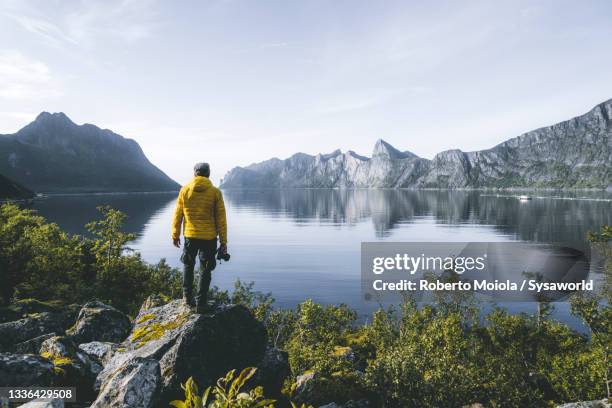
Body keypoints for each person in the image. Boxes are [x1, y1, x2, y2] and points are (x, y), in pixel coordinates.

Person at [172, 162, 228, 313]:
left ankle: (186, 298)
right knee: (205, 269)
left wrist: (175, 234)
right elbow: (221, 219)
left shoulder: (185, 190)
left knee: (188, 265)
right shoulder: (215, 192)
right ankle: (201, 303)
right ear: (208, 174)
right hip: (209, 238)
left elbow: (178, 215)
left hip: (190, 235)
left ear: (194, 173)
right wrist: (223, 242)